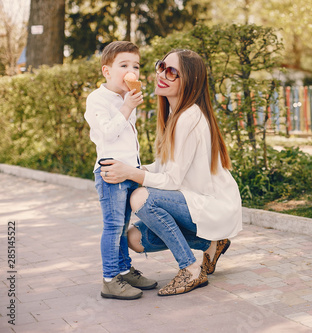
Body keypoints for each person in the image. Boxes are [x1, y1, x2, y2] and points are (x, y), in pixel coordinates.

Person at [100, 49, 243, 296]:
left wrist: (132, 174)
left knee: (141, 198)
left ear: (190, 81)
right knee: (135, 240)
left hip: (212, 204)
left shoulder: (190, 117)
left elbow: (172, 180)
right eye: (161, 66)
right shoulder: (173, 113)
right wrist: (134, 169)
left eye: (172, 71)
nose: (162, 74)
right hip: (191, 200)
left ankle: (190, 269)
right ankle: (211, 243)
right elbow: (165, 166)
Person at [84, 41, 157, 300]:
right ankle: (109, 279)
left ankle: (125, 271)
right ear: (107, 71)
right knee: (113, 227)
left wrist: (136, 169)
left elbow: (129, 141)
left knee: (124, 225)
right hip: (111, 173)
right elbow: (109, 134)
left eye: (136, 66)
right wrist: (127, 107)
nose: (132, 71)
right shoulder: (97, 99)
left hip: (128, 171)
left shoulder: (125, 98)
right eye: (124, 65)